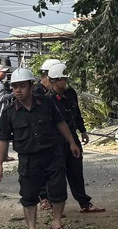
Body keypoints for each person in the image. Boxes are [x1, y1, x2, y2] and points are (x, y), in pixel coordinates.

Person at [0, 68, 82, 229]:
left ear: (31, 86)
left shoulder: (47, 103)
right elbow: (3, 139)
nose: (18, 90)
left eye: (22, 86)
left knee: (58, 191)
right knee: (29, 196)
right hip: (28, 159)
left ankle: (56, 224)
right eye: (14, 87)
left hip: (52, 155)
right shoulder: (9, 112)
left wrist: (72, 143)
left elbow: (60, 123)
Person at [39, 63, 103, 214]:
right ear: (55, 80)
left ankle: (84, 203)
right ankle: (56, 207)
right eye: (63, 79)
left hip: (73, 139)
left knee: (76, 172)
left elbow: (77, 113)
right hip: (57, 142)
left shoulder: (71, 93)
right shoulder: (48, 100)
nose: (66, 82)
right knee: (56, 175)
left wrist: (83, 131)